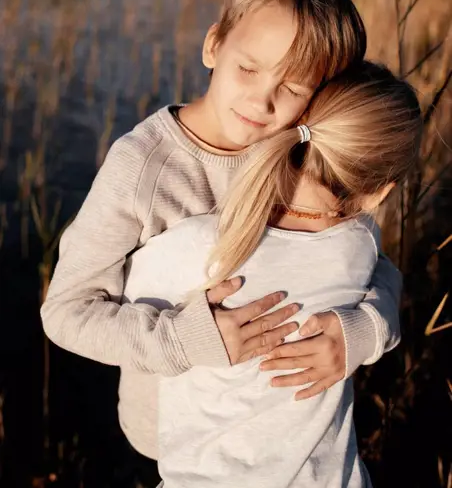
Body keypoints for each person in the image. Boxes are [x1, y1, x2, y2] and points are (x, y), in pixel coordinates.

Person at [41, 0, 402, 474]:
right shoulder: (143, 167)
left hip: (282, 441)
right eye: (248, 69)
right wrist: (184, 339)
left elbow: (373, 264)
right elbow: (66, 312)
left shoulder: (304, 156)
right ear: (214, 45)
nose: (262, 100)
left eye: (295, 88)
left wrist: (364, 331)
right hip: (172, 441)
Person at [124, 61, 422, 487]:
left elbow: (123, 299)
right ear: (379, 193)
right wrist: (374, 327)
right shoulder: (360, 246)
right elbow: (387, 274)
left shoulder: (203, 247)